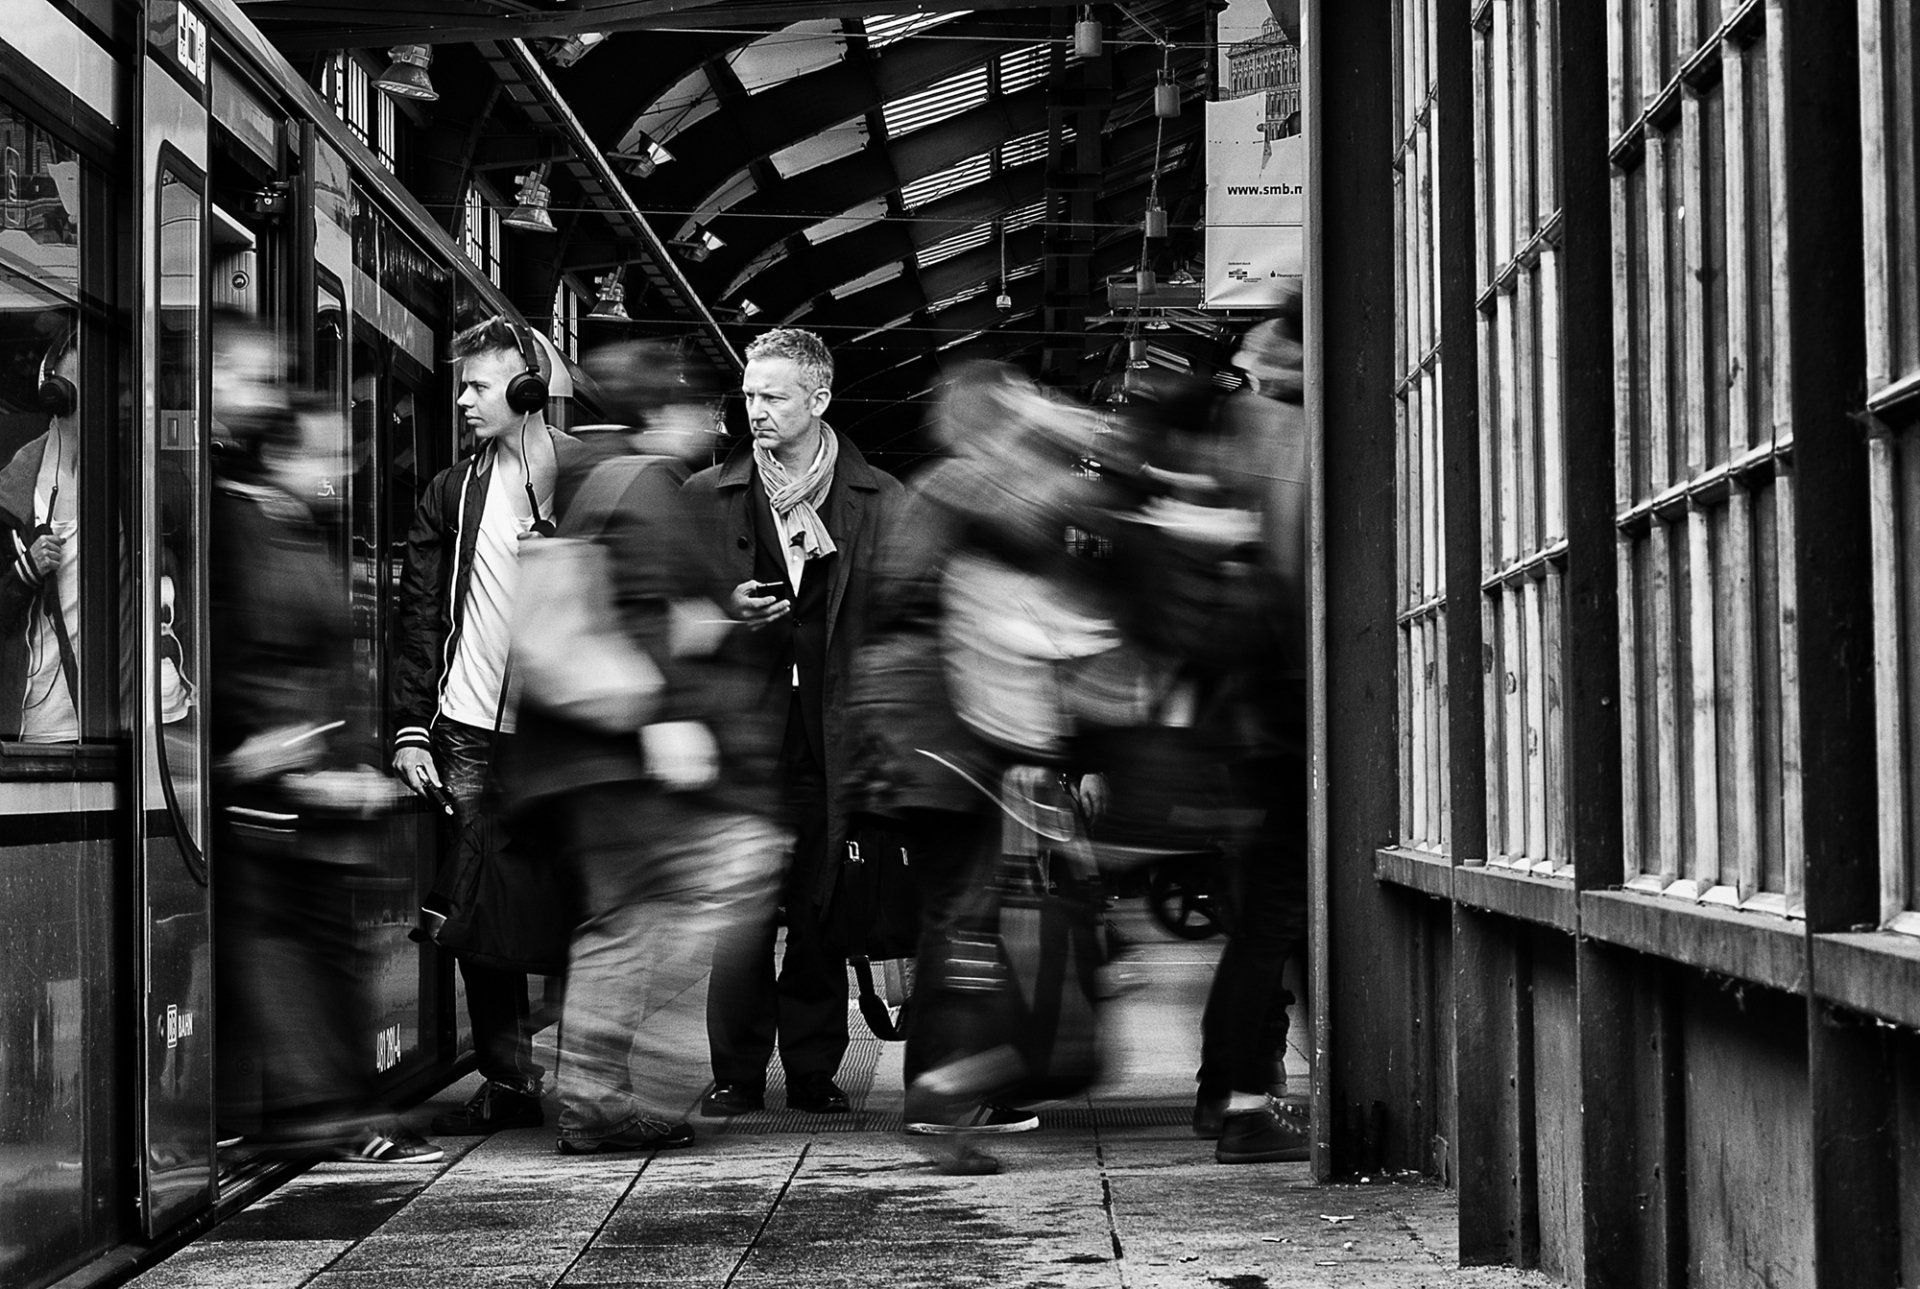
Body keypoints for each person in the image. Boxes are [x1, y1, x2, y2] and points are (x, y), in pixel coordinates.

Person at [505, 342, 786, 1154]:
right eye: (705, 408)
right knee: (711, 881)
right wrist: (669, 718)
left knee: (633, 914)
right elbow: (655, 617)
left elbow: (642, 603)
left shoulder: (591, 475)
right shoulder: (652, 483)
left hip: (584, 753)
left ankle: (595, 1078)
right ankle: (593, 1079)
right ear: (671, 411)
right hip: (627, 750)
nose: (713, 424)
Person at [209, 312, 439, 1163]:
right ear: (285, 454)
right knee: (288, 949)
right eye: (326, 453)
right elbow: (253, 659)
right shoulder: (245, 526)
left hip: (303, 778)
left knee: (317, 946)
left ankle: (322, 1109)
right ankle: (312, 1114)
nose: (343, 469)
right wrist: (301, 756)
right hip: (269, 783)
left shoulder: (290, 527)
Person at [685, 327, 903, 1118]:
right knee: (738, 907)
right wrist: (721, 611)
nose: (755, 411)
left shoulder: (880, 499)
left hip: (833, 736)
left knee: (823, 906)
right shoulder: (706, 495)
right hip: (744, 735)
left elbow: (903, 620)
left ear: (819, 399)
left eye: (772, 396)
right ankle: (736, 1071)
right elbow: (666, 610)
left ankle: (813, 1068)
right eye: (748, 394)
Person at [391, 316, 578, 1136]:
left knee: (570, 899)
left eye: (478, 384)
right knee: (476, 912)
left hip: (560, 734)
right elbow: (420, 612)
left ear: (527, 388)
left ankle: (584, 1072)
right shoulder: (451, 490)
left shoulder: (583, 480)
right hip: (467, 726)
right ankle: (507, 1077)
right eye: (459, 384)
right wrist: (409, 727)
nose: (462, 399)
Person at [1186, 300, 1312, 1165]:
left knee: (1256, 916)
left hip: (1222, 721)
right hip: (1283, 710)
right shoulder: (1299, 442)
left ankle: (1224, 1092)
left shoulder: (1223, 433)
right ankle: (1240, 1101)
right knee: (1271, 917)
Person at [1, 327, 82, 742]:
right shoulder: (12, 495)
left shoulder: (140, 482)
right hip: (43, 728)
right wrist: (25, 572)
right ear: (58, 395)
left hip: (135, 724)